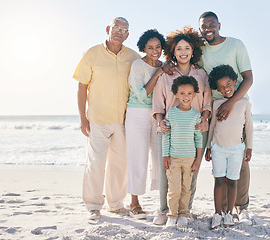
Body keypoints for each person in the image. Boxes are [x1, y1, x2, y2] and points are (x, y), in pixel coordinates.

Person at [73, 17, 140, 220]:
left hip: (123, 121)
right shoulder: (92, 53)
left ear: (128, 35)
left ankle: (116, 204)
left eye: (124, 30)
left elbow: (149, 68)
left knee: (119, 165)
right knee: (95, 164)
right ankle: (93, 205)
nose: (120, 32)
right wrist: (83, 118)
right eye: (116, 28)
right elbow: (82, 86)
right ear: (108, 29)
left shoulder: (133, 57)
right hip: (97, 120)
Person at [152, 26, 212, 225]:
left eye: (187, 48)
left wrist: (204, 120)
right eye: (179, 48)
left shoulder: (201, 74)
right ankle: (164, 211)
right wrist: (161, 123)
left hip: (196, 130)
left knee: (191, 172)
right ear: (173, 51)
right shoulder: (165, 75)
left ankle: (185, 211)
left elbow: (207, 103)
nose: (183, 52)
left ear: (193, 50)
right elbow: (158, 105)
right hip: (169, 131)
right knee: (166, 171)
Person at [198, 11, 254, 224]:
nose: (208, 28)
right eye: (204, 26)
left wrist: (231, 102)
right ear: (200, 28)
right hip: (214, 109)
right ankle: (221, 211)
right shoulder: (201, 50)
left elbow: (248, 78)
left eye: (212, 24)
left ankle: (242, 207)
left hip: (237, 106)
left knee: (240, 164)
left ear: (219, 25)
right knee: (219, 166)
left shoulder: (236, 45)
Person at [205, 64, 253, 229]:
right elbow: (212, 127)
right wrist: (209, 147)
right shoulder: (217, 103)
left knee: (233, 182)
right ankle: (217, 213)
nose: (226, 89)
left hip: (236, 150)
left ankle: (229, 214)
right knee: (219, 181)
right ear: (217, 89)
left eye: (228, 84)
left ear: (235, 81)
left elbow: (249, 127)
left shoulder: (244, 102)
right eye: (221, 87)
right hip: (218, 148)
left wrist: (249, 147)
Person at [125, 29, 166, 219]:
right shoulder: (137, 65)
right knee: (138, 157)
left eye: (158, 46)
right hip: (137, 114)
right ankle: (134, 202)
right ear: (143, 48)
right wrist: (157, 74)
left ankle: (163, 204)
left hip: (158, 114)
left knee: (160, 157)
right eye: (150, 47)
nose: (155, 50)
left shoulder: (165, 66)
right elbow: (141, 94)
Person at [162, 76, 203, 227]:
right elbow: (167, 135)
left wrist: (198, 159)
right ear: (176, 94)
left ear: (194, 95)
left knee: (187, 188)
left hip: (190, 159)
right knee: (174, 189)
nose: (186, 97)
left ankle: (184, 214)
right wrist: (165, 155)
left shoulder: (196, 115)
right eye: (182, 93)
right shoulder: (171, 113)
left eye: (189, 93)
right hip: (173, 158)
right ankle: (172, 215)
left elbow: (198, 139)